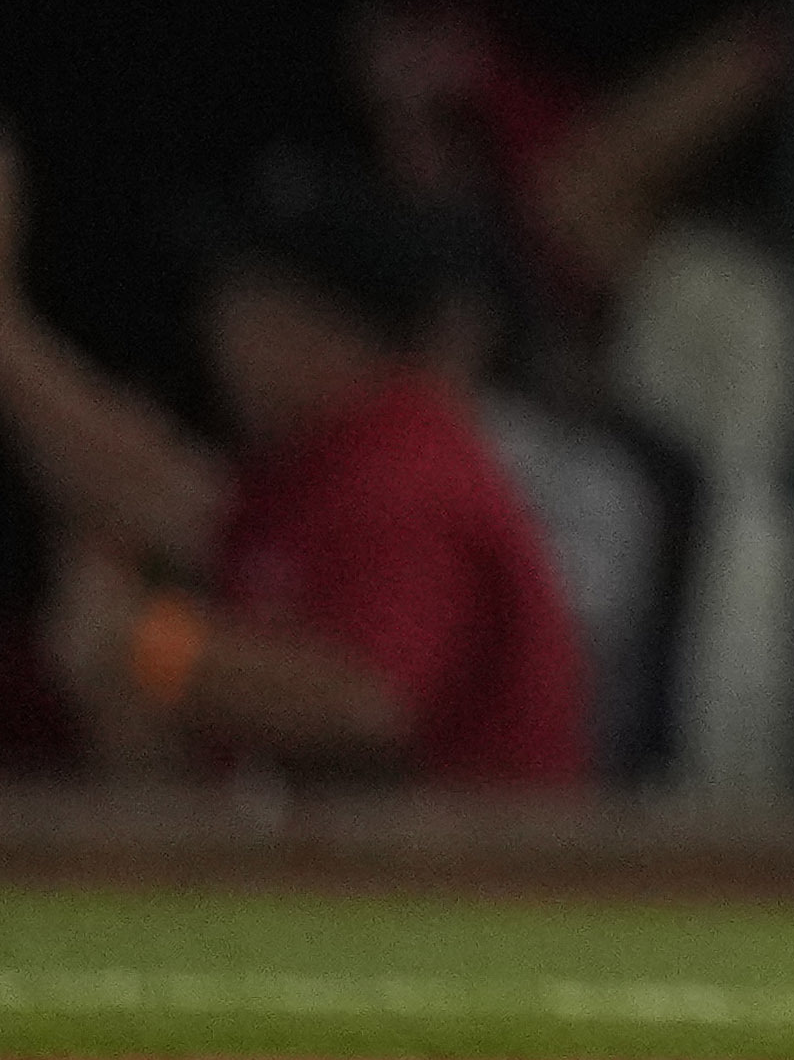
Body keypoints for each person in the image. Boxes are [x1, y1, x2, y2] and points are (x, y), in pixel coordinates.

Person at [0, 133, 587, 790]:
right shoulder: (318, 464)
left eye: (242, 308)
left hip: (470, 879)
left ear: (316, 326)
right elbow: (160, 497)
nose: (218, 334)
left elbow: (365, 701)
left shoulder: (405, 467)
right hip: (380, 874)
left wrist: (149, 648)